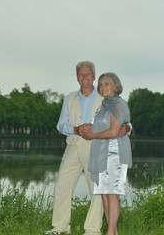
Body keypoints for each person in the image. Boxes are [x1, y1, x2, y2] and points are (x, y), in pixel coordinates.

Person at [44, 62, 129, 235]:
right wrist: (75, 129)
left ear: (94, 76)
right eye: (81, 74)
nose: (84, 78)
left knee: (97, 189)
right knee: (61, 187)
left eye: (88, 74)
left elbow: (123, 118)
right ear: (77, 77)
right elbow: (61, 125)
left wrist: (127, 128)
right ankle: (60, 227)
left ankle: (92, 229)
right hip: (73, 146)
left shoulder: (105, 95)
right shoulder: (70, 98)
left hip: (97, 146)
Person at [81, 72, 132, 235]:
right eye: (101, 84)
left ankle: (110, 232)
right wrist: (90, 128)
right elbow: (103, 126)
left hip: (113, 153)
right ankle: (113, 232)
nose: (103, 87)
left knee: (112, 194)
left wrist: (92, 135)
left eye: (107, 84)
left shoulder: (119, 104)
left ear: (116, 86)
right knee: (104, 194)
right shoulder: (103, 105)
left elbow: (113, 132)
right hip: (101, 153)